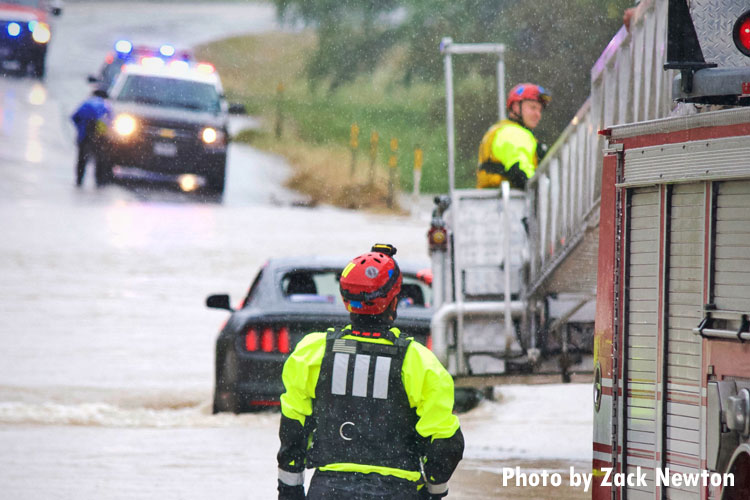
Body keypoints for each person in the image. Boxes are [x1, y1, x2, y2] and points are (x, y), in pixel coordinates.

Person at [277, 243, 464, 500]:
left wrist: (290, 491)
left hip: (328, 490)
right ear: (393, 301)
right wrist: (434, 492)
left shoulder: (313, 351)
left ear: (346, 300)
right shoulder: (419, 361)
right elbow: (445, 444)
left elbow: (293, 432)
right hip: (398, 491)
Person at [476, 83, 551, 190]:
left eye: (539, 110)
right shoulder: (513, 133)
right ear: (516, 107)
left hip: (492, 200)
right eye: (533, 107)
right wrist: (544, 189)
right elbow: (522, 173)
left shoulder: (502, 129)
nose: (537, 114)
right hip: (510, 203)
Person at [71, 89, 111, 186]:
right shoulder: (106, 106)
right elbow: (109, 123)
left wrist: (81, 128)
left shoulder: (86, 104)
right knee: (100, 160)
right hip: (100, 138)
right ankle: (99, 182)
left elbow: (74, 117)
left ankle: (79, 181)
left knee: (82, 159)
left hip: (85, 136)